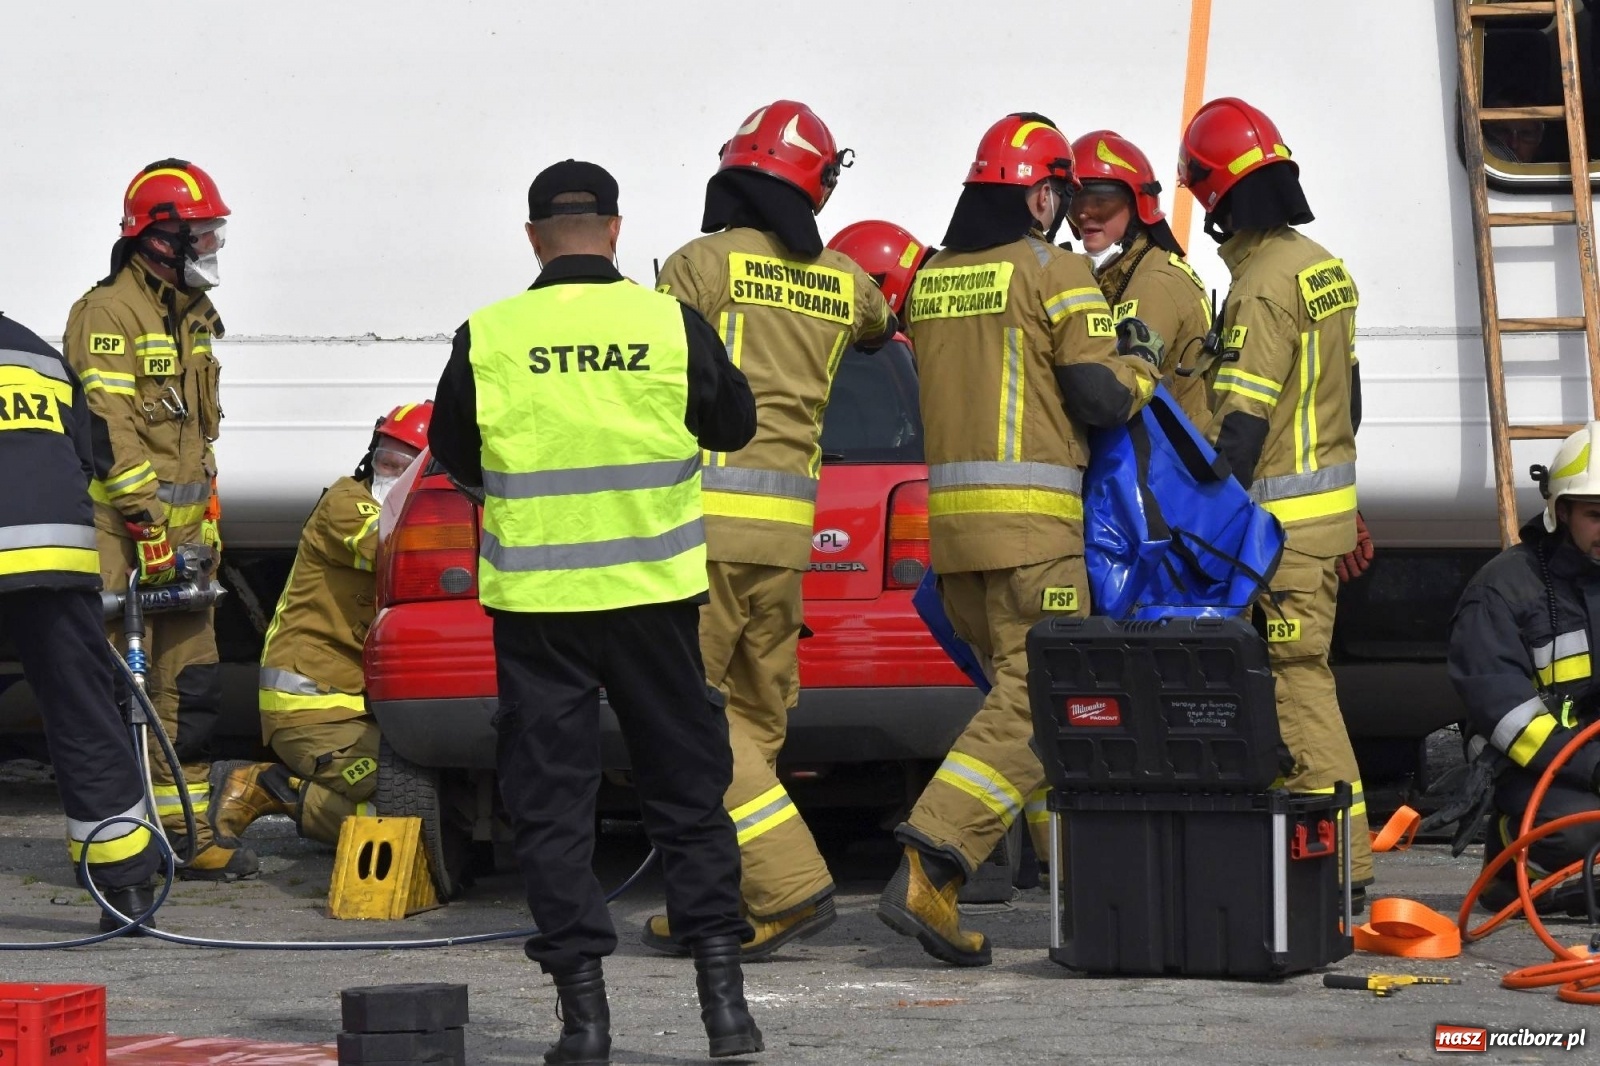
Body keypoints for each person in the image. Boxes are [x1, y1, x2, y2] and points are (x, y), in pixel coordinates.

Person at [428, 160, 761, 1063]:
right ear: (615, 230)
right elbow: (735, 424)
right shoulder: (667, 321)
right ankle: (725, 1007)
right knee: (689, 796)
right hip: (655, 601)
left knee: (551, 810)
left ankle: (584, 1023)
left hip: (539, 610)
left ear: (534, 237)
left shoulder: (490, 335)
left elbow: (456, 452)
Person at [876, 113, 1161, 967]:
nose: (1065, 212)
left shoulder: (929, 280)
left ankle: (1054, 892)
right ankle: (934, 857)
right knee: (1044, 701)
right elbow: (1097, 395)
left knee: (1024, 709)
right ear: (1038, 192)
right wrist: (1140, 364)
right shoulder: (1055, 268)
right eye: (1059, 193)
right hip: (1038, 535)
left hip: (956, 543)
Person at [643, 100, 895, 959]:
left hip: (702, 530)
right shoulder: (842, 280)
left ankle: (785, 882)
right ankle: (717, 901)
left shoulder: (699, 265)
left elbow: (656, 376)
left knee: (685, 720)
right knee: (753, 720)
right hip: (787, 540)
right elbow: (880, 322)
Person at [1177, 97, 1373, 898]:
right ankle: (1320, 861)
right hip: (1319, 522)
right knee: (1300, 683)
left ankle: (1345, 869)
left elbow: (1242, 433)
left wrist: (1190, 506)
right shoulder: (1323, 265)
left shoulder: (1260, 287)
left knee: (1296, 690)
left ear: (1216, 195)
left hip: (1279, 535)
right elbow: (1350, 402)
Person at [62, 158, 252, 881]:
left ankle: (182, 832)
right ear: (158, 236)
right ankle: (115, 842)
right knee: (119, 692)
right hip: (122, 533)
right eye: (201, 234)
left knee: (192, 685)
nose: (212, 248)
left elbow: (194, 437)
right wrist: (145, 524)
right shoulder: (110, 313)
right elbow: (109, 427)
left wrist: (195, 530)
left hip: (182, 539)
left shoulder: (193, 314)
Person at [0, 311, 163, 932]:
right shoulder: (33, 351)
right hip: (56, 555)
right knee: (83, 712)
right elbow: (92, 451)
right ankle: (126, 892)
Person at [208, 403, 432, 850]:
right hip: (312, 709)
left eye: (405, 464)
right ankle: (276, 790)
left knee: (434, 795)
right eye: (386, 457)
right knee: (406, 812)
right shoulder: (347, 506)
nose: (390, 469)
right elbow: (390, 548)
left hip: (356, 710)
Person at [1447, 425, 1600, 915]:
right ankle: (1514, 866)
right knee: (1577, 828)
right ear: (1561, 512)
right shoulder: (1506, 589)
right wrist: (1592, 767)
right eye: (1596, 515)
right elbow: (1506, 714)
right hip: (1530, 767)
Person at [1066, 130, 1214, 423]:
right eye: (1075, 202)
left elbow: (1123, 394)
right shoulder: (1119, 271)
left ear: (1137, 205)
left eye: (1099, 202)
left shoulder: (1153, 284)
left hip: (1167, 457)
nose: (1084, 214)